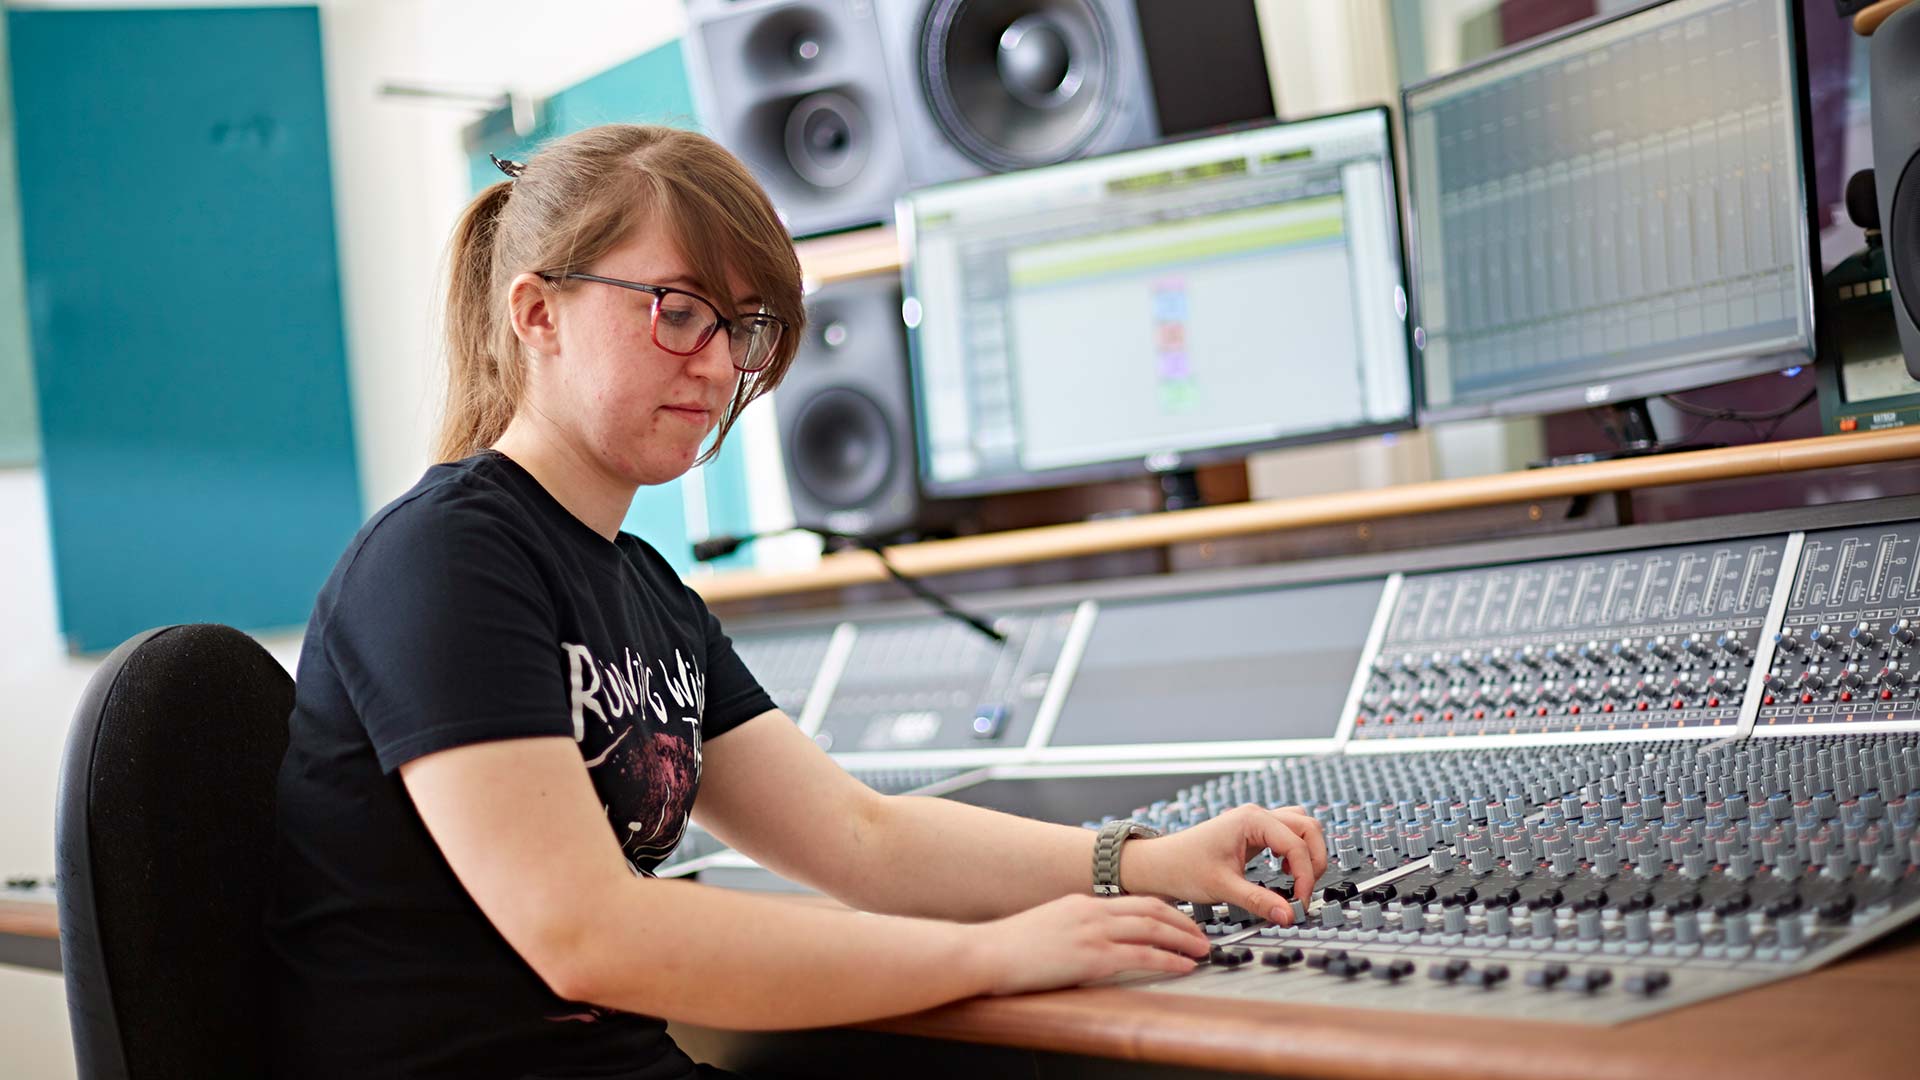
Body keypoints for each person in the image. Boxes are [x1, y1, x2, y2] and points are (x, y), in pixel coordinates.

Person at [267, 123, 1327, 1080]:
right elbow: (585, 933)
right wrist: (991, 954)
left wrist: (1135, 862)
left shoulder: (646, 592)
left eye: (744, 329)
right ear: (537, 312)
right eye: (679, 312)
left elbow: (859, 839)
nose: (720, 365)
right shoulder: (446, 558)